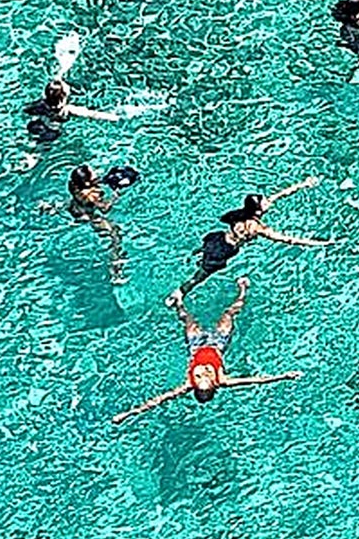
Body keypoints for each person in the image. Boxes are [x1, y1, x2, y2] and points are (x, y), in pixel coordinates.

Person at [112, 273, 301, 424]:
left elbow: (158, 400)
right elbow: (256, 380)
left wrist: (127, 414)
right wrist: (284, 376)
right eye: (207, 379)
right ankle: (243, 290)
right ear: (214, 385)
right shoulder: (223, 380)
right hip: (218, 344)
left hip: (195, 346)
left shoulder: (188, 384)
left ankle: (178, 303)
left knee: (188, 320)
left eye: (200, 378)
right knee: (228, 314)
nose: (203, 375)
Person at [196, 175, 329, 279]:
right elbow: (289, 240)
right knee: (201, 276)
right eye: (265, 202)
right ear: (258, 211)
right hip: (225, 249)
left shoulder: (240, 214)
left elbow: (281, 194)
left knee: (202, 255)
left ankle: (199, 255)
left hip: (217, 237)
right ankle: (179, 293)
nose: (268, 201)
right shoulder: (256, 227)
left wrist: (303, 184)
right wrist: (319, 243)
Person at [66, 163, 140, 282]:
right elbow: (104, 209)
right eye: (93, 172)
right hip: (89, 217)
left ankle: (51, 207)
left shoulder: (77, 188)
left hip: (74, 208)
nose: (96, 172)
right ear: (87, 183)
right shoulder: (91, 194)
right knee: (115, 233)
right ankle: (116, 268)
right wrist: (116, 196)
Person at [24, 77, 119, 143]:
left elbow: (26, 110)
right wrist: (114, 117)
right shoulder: (68, 110)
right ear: (64, 97)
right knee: (40, 148)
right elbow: (92, 114)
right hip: (51, 131)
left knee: (33, 140)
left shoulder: (41, 104)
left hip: (37, 125)